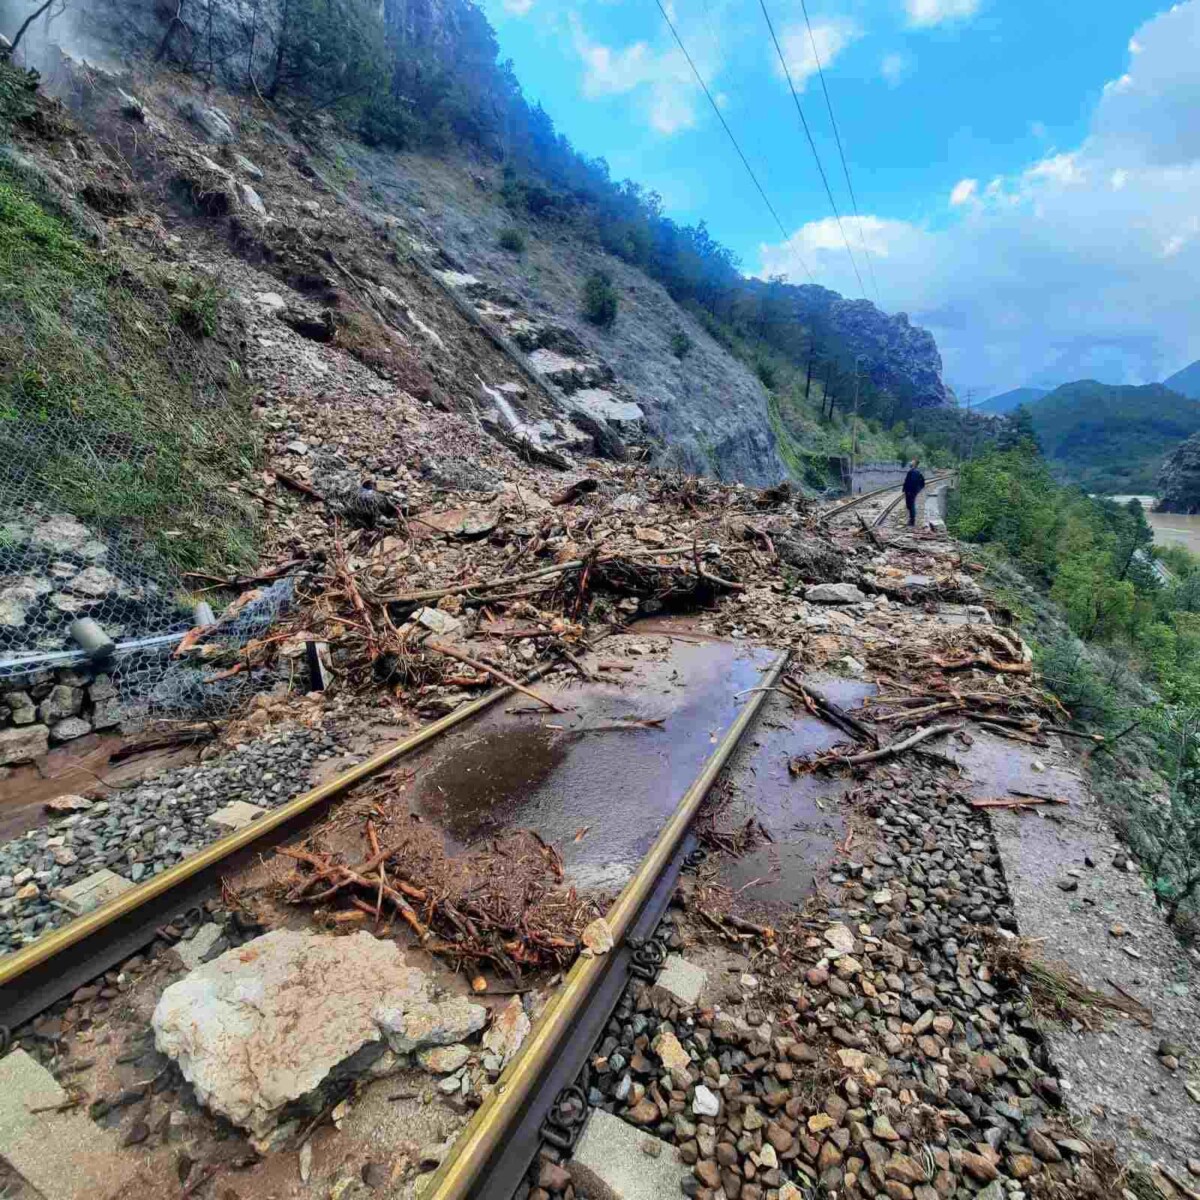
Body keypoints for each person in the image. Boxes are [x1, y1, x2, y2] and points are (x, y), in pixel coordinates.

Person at [902, 458, 925, 527]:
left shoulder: (914, 472)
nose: (911, 462)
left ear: (915, 464)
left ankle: (912, 521)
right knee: (909, 505)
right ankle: (912, 519)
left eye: (912, 462)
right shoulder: (913, 471)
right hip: (911, 491)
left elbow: (912, 483)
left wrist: (910, 491)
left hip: (911, 491)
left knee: (911, 505)